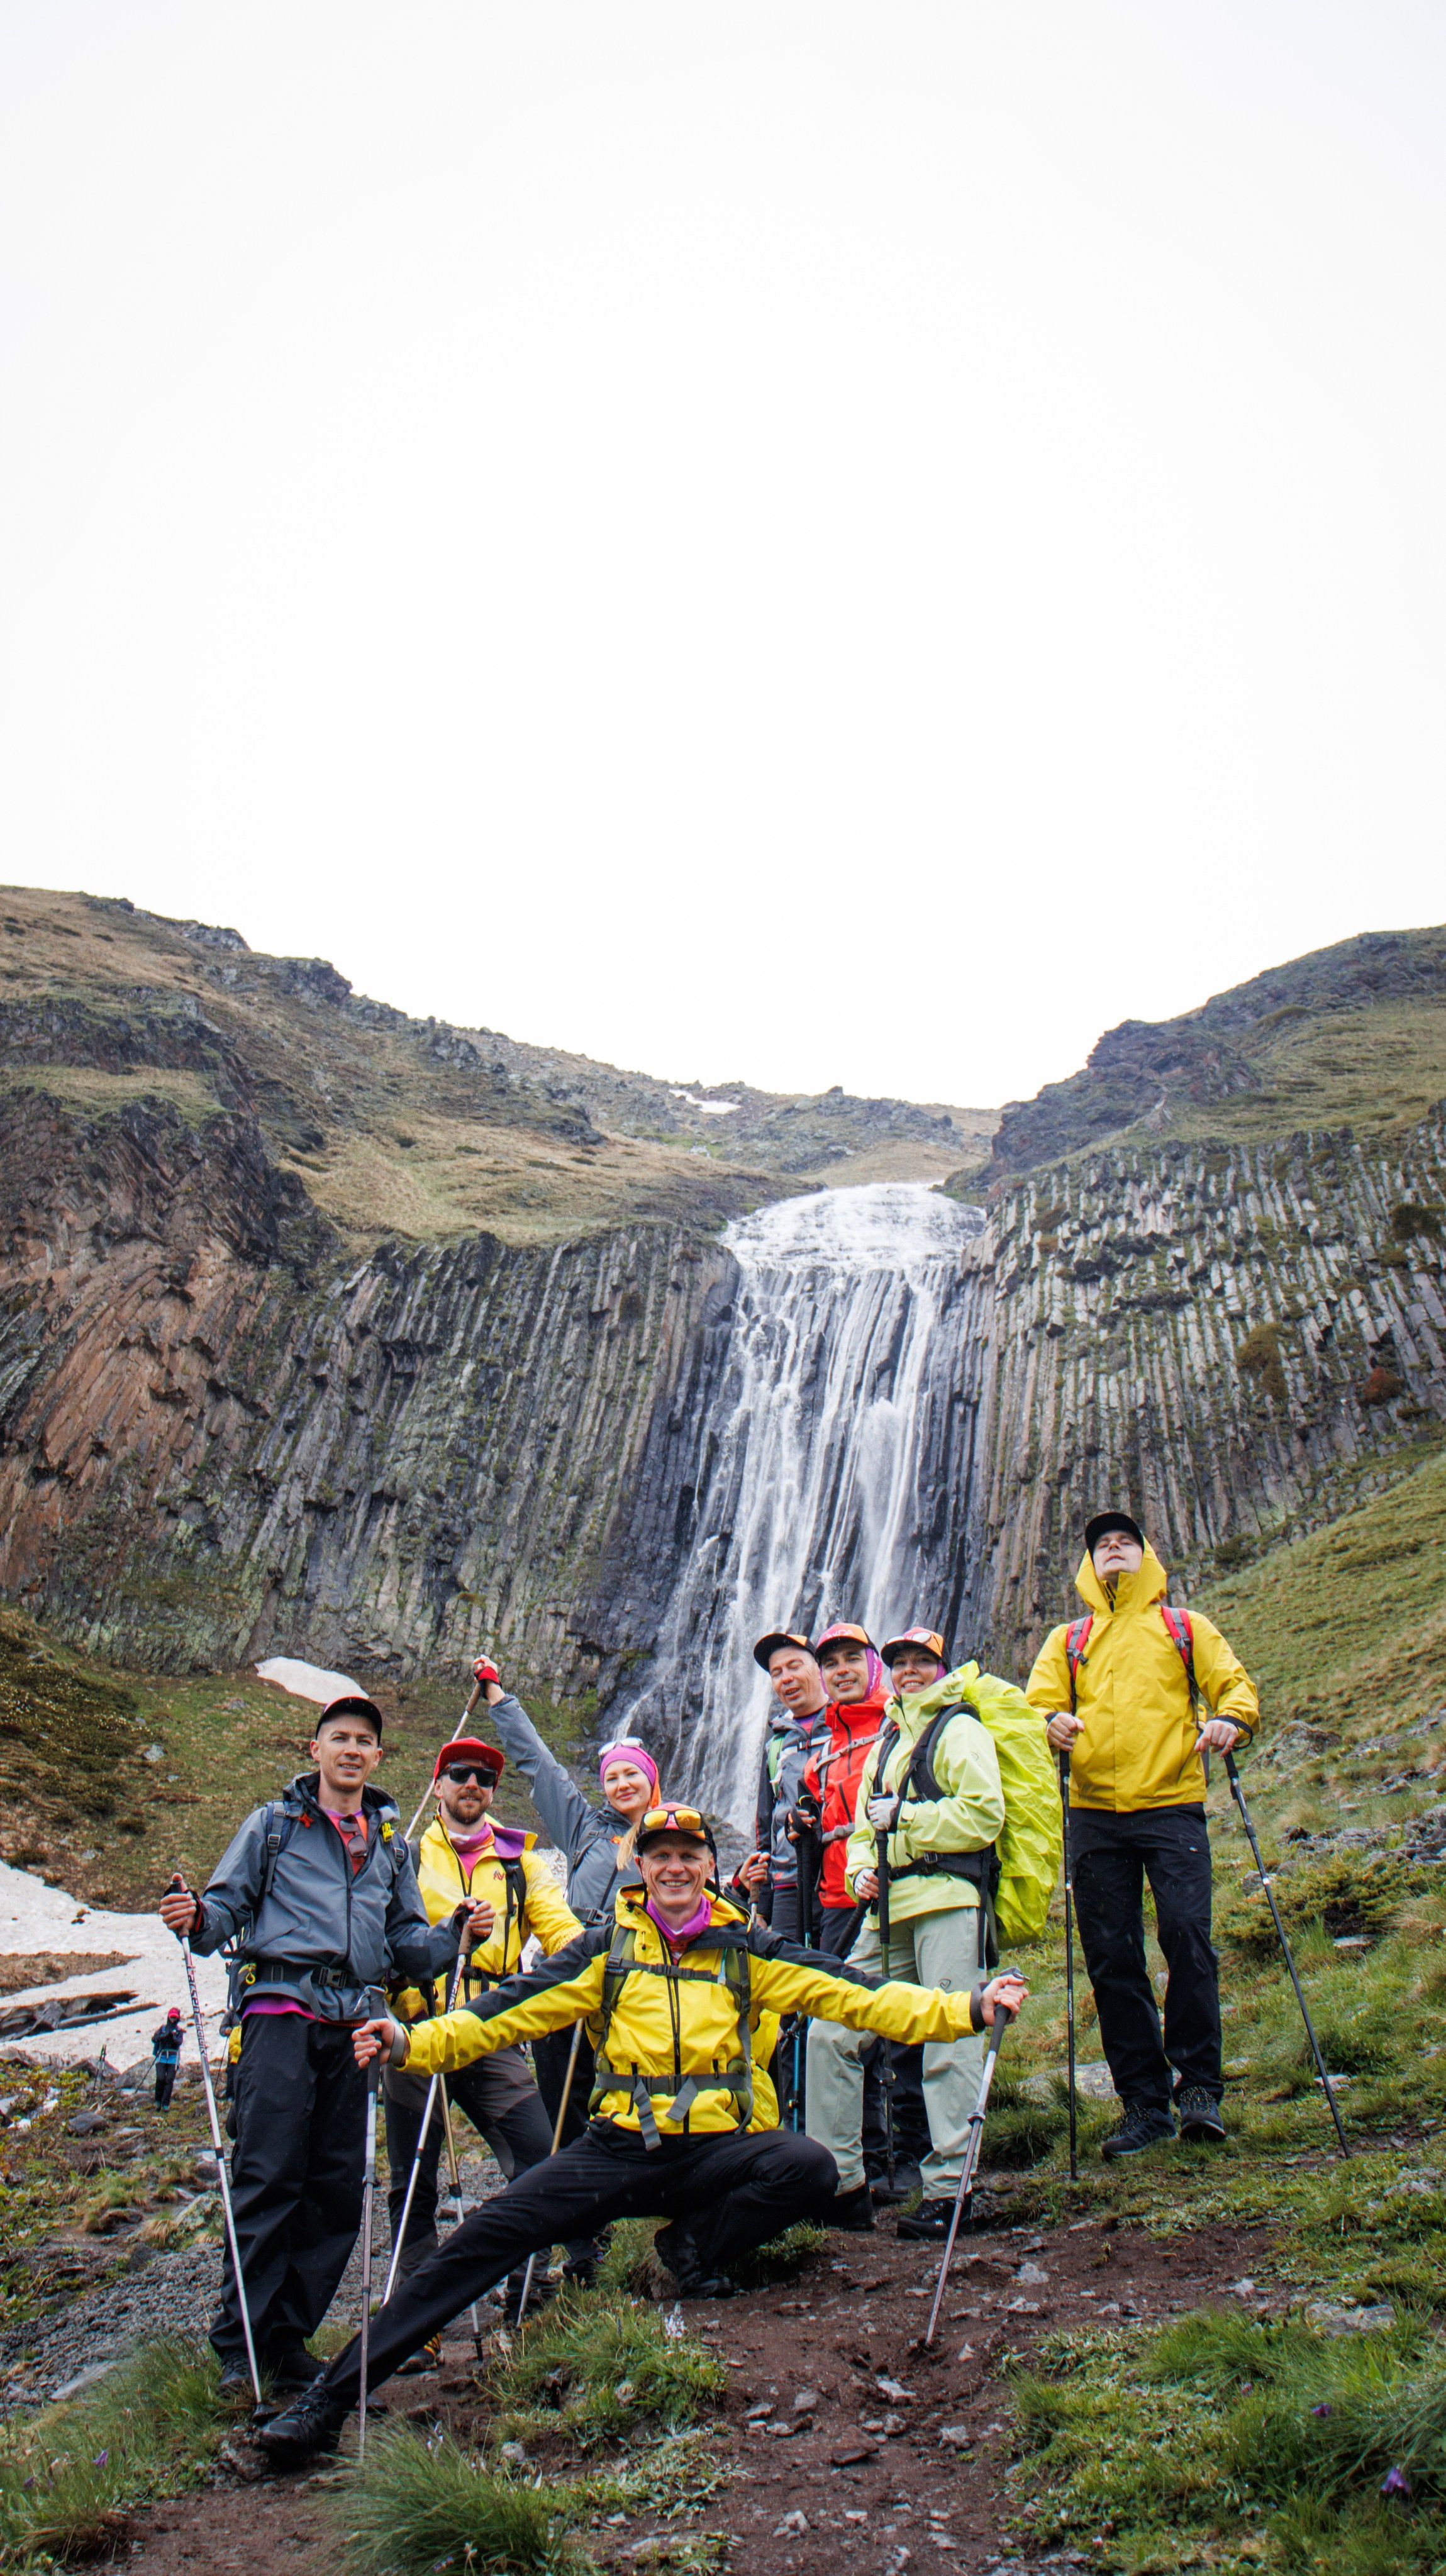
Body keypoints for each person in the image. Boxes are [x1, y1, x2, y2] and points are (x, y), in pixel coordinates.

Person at [256, 1802, 1028, 2458]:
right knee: (481, 2243)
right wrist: (411, 2043)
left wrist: (964, 2009)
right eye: (659, 1855)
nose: (674, 1868)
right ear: (640, 1866)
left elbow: (857, 1996)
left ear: (707, 1866)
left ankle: (692, 2248)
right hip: (616, 2150)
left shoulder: (749, 1949)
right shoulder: (604, 1951)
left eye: (688, 1855)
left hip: (717, 2150)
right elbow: (500, 2014)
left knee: (806, 2164)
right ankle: (328, 2401)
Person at [158, 1692, 477, 2397]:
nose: (352, 1749)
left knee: (336, 2186)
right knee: (269, 2174)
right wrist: (195, 1914)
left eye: (364, 1739)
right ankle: (241, 2347)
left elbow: (408, 1947)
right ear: (316, 1750)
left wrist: (453, 1931)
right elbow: (223, 1916)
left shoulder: (390, 1848)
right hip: (280, 2010)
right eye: (340, 1737)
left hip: (355, 2027)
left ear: (378, 1756)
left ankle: (287, 2339)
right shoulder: (272, 1827)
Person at [1027, 1509, 1258, 2157]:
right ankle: (1142, 2103)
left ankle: (1199, 2090)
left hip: (1171, 1802)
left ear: (1145, 1555)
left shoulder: (1184, 1627)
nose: (1114, 1551)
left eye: (1125, 1542)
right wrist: (1049, 1720)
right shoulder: (1068, 1639)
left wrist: (1231, 1719)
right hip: (1094, 1812)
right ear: (1089, 1565)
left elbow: (1232, 1686)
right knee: (1110, 1955)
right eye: (1103, 1545)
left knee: (1187, 1936)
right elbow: (1035, 1703)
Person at [808, 1626, 1025, 2241]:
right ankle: (841, 2182)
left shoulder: (961, 1728)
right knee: (831, 2029)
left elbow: (985, 1813)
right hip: (887, 1911)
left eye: (921, 1660)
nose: (908, 1670)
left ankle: (953, 2188)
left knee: (950, 2038)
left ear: (940, 1666)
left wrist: (906, 1818)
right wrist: (858, 1873)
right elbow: (858, 1830)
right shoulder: (889, 1739)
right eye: (899, 1661)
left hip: (948, 1902)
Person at [386, 1731, 582, 2338]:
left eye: (486, 1778)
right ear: (438, 1785)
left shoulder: (520, 1860)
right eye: (461, 1773)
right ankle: (415, 2312)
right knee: (412, 2174)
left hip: (492, 2024)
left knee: (535, 2150)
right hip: (417, 2028)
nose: (474, 1785)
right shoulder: (406, 1857)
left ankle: (530, 2280)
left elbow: (560, 1929)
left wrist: (591, 1963)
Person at [472, 1655, 660, 2277]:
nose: (622, 1785)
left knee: (633, 2106)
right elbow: (540, 1766)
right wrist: (501, 1698)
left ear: (652, 1782)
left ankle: (641, 2219)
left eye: (634, 1774)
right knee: (563, 2109)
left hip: (639, 1986)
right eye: (613, 1777)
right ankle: (582, 2238)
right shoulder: (583, 1830)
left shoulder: (675, 1838)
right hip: (574, 1977)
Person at [738, 1631, 831, 1941]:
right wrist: (763, 1903)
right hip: (788, 1886)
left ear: (819, 1668)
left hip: (839, 1878)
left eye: (794, 1666)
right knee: (792, 1980)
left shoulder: (847, 1724)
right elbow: (766, 1827)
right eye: (777, 1673)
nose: (786, 1678)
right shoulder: (776, 1743)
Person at [151, 2007, 182, 2111]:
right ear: (168, 2017)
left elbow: (179, 2042)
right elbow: (154, 2039)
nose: (173, 2020)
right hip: (162, 2056)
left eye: (175, 2018)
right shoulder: (163, 2028)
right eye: (171, 2017)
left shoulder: (179, 2031)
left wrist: (172, 2038)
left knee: (169, 2080)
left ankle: (165, 2104)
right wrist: (163, 2037)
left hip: (174, 2057)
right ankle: (158, 2101)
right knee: (160, 2078)